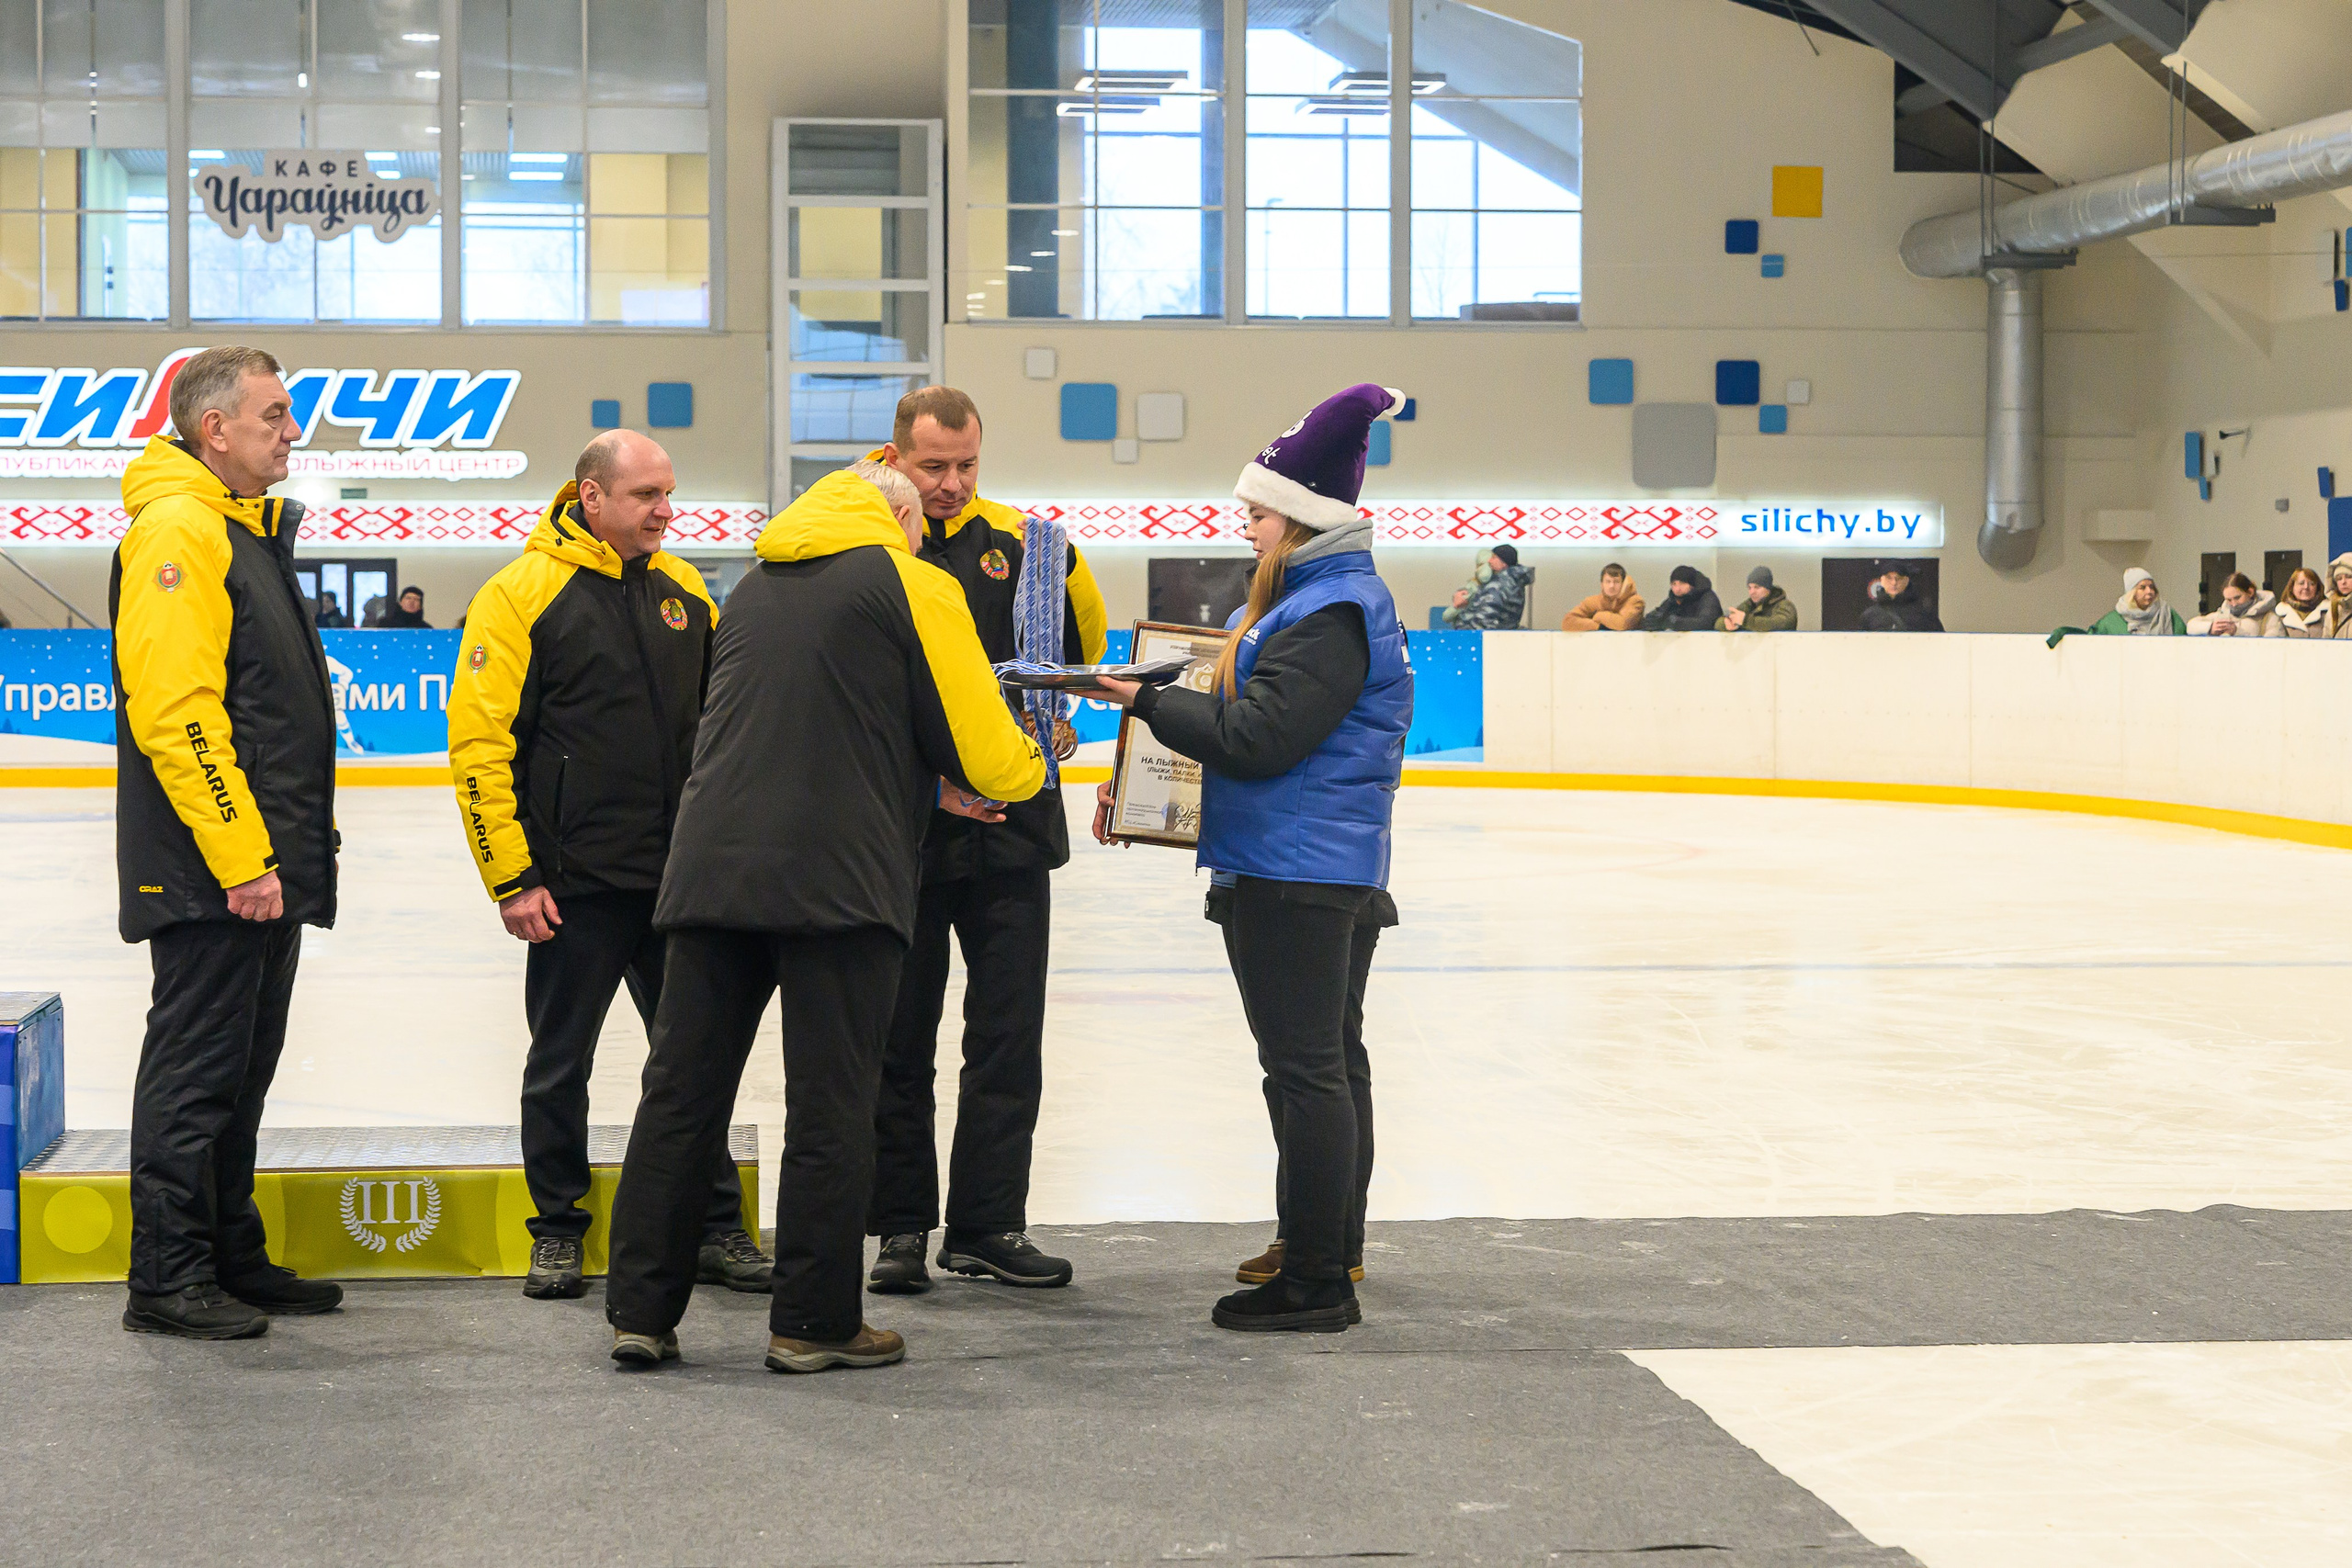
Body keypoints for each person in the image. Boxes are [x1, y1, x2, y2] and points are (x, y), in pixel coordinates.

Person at [603, 459, 1046, 1374]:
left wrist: (920, 782)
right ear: (897, 518)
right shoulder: (912, 582)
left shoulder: (753, 586)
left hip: (713, 872)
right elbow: (990, 753)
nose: (923, 539)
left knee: (681, 1094)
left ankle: (640, 1312)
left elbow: (786, 722)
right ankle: (811, 1322)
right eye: (918, 524)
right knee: (830, 1104)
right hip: (838, 884)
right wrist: (1024, 771)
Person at [1093, 382, 1412, 1336]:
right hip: (1307, 861)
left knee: (1305, 1069)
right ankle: (1323, 1240)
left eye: (1260, 510)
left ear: (1306, 516)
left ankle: (1317, 1278)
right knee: (1324, 1066)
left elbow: (1261, 737)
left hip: (1299, 872)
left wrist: (1143, 700)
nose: (1247, 523)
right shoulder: (1318, 598)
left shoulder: (1331, 610)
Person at [445, 430, 773, 1303]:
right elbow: (480, 746)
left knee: (694, 1062)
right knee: (561, 1064)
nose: (667, 511)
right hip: (572, 886)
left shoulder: (684, 591)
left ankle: (713, 1227)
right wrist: (512, 878)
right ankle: (557, 1229)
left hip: (679, 882)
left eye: (669, 493)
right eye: (645, 497)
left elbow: (721, 732)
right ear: (591, 497)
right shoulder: (518, 596)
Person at [110, 345, 343, 1338]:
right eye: (275, 415)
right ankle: (167, 1275)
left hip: (259, 869)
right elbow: (179, 713)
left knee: (241, 1069)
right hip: (215, 871)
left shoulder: (240, 530)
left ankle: (224, 1251)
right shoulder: (180, 531)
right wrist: (243, 857)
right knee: (197, 1070)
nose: (292, 430)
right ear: (216, 430)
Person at [863, 388, 1108, 1297]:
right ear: (896, 459)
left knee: (1007, 1040)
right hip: (902, 837)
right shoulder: (867, 547)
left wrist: (1053, 723)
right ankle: (897, 1228)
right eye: (934, 467)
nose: (952, 484)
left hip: (1013, 833)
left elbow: (1084, 654)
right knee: (898, 1041)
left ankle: (985, 1225)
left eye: (966, 464)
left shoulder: (1039, 548)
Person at [1442, 544, 1533, 629]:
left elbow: (1486, 617)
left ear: (1503, 563)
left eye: (1494, 558)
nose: (1490, 561)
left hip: (1482, 638)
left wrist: (1468, 631)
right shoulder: (1509, 582)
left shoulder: (1499, 585)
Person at [2090, 568, 2184, 635]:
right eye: (2142, 588)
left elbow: (2184, 640)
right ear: (2132, 593)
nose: (2149, 591)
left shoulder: (2167, 614)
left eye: (2151, 587)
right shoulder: (2111, 621)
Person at [2187, 572, 2283, 637]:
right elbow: (2191, 626)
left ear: (2250, 592)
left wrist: (2237, 631)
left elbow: (2273, 647)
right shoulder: (2222, 616)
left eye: (2237, 598)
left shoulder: (2270, 618)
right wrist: (2210, 628)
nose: (2233, 604)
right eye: (2229, 600)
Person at [1856, 561, 1943, 632]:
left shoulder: (1924, 615)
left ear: (1906, 581)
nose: (1894, 583)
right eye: (1889, 578)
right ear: (1882, 580)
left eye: (1899, 578)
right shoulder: (1869, 616)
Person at [1560, 564, 1643, 631]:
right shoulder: (1593, 601)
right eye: (1608, 581)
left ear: (1623, 584)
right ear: (1602, 584)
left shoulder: (1635, 602)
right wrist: (1598, 626)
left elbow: (1623, 624)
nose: (1611, 586)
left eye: (1616, 582)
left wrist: (1599, 616)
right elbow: (1568, 622)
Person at [1640, 566, 1723, 631]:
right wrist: (1653, 622)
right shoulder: (1673, 600)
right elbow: (1658, 615)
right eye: (1674, 584)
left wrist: (1674, 623)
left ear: (1691, 584)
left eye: (1682, 583)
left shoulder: (1708, 597)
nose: (1677, 589)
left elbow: (1706, 623)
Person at [1717, 567, 1798, 632]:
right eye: (1749, 588)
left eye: (1757, 587)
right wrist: (1726, 623)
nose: (1752, 592)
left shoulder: (1784, 605)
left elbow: (1781, 624)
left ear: (1768, 588)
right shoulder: (1748, 605)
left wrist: (1746, 621)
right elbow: (1718, 623)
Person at [2277, 567, 2329, 637]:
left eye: (2311, 584)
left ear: (2318, 588)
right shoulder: (2279, 615)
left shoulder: (2329, 613)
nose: (2306, 587)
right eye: (2301, 583)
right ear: (2292, 587)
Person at [2327, 555, 2352, 638]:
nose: (2343, 582)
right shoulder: (2331, 608)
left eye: (2349, 577)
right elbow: (2325, 643)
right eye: (2339, 578)